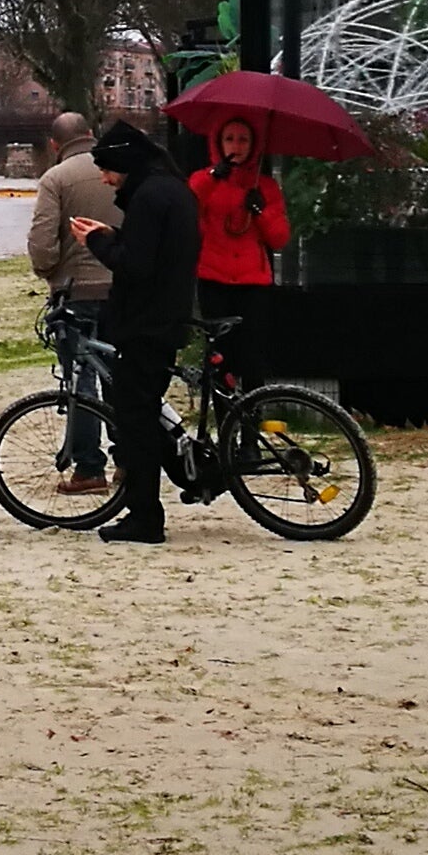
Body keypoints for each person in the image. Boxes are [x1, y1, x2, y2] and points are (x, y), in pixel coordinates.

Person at [70, 120, 200, 545]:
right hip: (169, 315)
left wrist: (97, 245)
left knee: (135, 422)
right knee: (145, 411)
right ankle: (189, 475)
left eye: (108, 169)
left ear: (125, 163)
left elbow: (137, 266)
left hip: (147, 322)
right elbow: (154, 250)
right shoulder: (172, 189)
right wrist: (112, 234)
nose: (105, 179)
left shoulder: (147, 196)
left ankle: (145, 517)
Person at [23, 111, 118, 493]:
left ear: (54, 145)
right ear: (91, 135)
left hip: (75, 294)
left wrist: (51, 273)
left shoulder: (55, 179)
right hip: (122, 291)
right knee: (122, 378)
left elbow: (42, 243)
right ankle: (128, 461)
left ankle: (89, 469)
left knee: (81, 381)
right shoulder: (119, 171)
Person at [189, 116, 289, 388]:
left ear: (253, 145)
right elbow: (188, 211)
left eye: (243, 139)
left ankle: (250, 425)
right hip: (214, 278)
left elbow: (279, 238)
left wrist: (261, 212)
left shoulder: (265, 186)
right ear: (219, 143)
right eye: (229, 139)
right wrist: (212, 178)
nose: (236, 146)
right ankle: (224, 424)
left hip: (252, 282)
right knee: (220, 357)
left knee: (253, 357)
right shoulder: (203, 179)